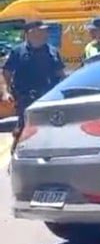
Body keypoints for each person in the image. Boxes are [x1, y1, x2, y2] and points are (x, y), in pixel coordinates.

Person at [1, 21, 66, 151]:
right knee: (23, 129)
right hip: (25, 97)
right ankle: (17, 154)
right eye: (41, 31)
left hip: (48, 97)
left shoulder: (52, 52)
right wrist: (5, 92)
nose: (45, 34)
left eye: (45, 31)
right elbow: (6, 73)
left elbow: (61, 74)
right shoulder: (18, 52)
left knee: (49, 128)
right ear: (30, 33)